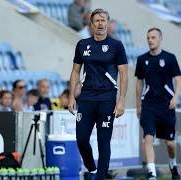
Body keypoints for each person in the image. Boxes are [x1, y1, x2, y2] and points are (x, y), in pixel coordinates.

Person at [68, 9, 128, 179]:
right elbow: (75, 72)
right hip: (86, 98)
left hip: (107, 99)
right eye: (97, 21)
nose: (100, 23)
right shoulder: (82, 44)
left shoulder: (117, 46)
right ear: (91, 24)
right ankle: (92, 169)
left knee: (103, 142)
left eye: (103, 20)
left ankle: (100, 177)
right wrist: (72, 96)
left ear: (108, 23)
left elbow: (123, 74)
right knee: (81, 139)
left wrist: (121, 100)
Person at [135, 28, 181, 179]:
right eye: (148, 37)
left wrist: (175, 97)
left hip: (166, 106)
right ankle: (152, 173)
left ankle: (173, 164)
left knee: (170, 144)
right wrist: (138, 105)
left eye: (153, 37)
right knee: (148, 138)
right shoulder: (142, 60)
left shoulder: (170, 58)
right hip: (148, 105)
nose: (150, 40)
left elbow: (178, 80)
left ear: (160, 38)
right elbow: (139, 83)